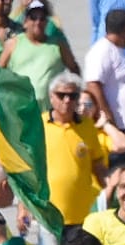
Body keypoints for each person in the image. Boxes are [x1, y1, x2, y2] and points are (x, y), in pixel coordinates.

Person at [44, 72, 110, 228]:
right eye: (61, 95)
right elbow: (29, 170)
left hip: (82, 215)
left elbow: (98, 166)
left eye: (72, 96)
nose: (67, 100)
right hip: (49, 215)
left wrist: (111, 194)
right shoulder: (39, 125)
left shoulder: (87, 126)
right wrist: (23, 207)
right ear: (51, 97)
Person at [83, 8, 125, 159]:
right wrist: (108, 117)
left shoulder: (118, 51)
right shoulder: (102, 51)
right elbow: (93, 84)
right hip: (118, 130)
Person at [0, 0, 80, 102]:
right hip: (19, 110)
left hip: (48, 112)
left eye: (42, 18)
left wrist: (75, 96)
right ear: (25, 22)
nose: (38, 22)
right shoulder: (12, 44)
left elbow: (74, 69)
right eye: (33, 17)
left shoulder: (58, 46)